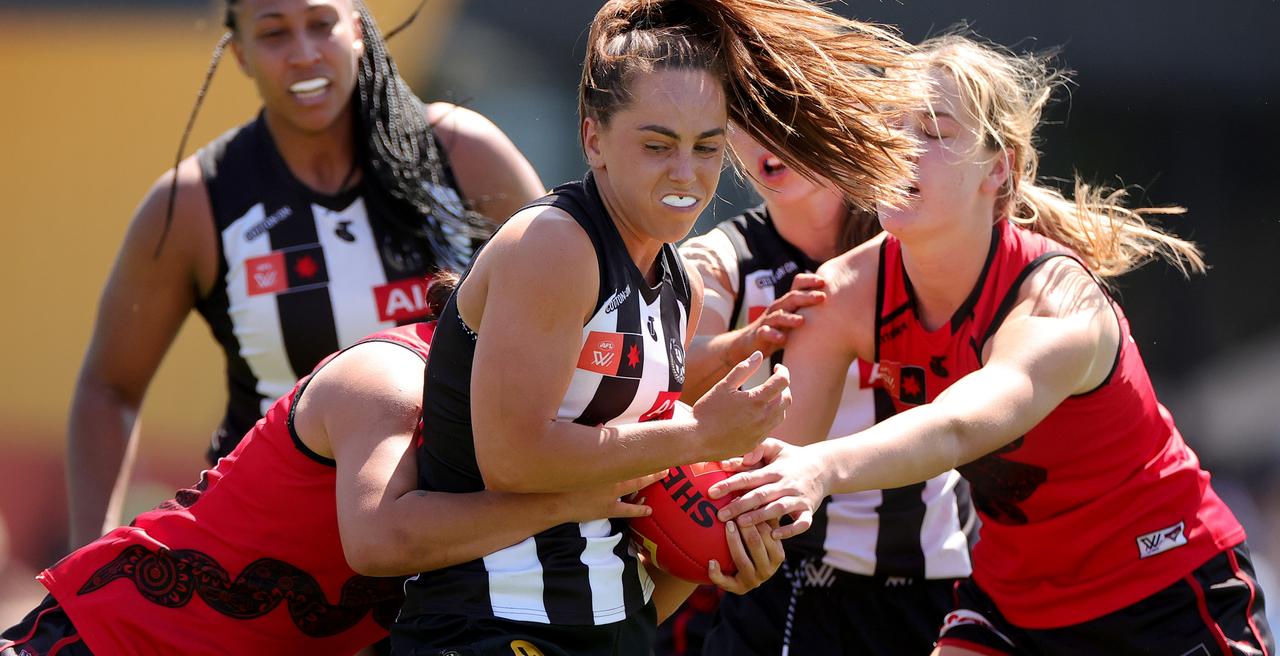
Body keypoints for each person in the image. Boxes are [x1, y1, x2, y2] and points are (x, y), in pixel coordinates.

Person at [393, 0, 922, 656]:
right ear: (594, 139)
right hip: (491, 628)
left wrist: (714, 550)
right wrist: (702, 437)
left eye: (706, 148)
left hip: (620, 631)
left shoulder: (680, 281)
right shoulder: (555, 245)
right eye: (657, 144)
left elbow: (629, 489)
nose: (686, 173)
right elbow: (513, 460)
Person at [711, 32, 1274, 655]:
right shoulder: (844, 295)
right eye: (891, 127)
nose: (903, 147)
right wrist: (710, 512)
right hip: (1015, 603)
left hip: (1162, 591)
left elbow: (957, 427)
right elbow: (778, 459)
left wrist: (820, 469)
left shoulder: (1056, 302)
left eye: (935, 131)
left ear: (998, 166)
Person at [2, 274, 781, 656]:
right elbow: (378, 542)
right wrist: (584, 494)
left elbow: (587, 606)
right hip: (117, 640)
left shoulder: (544, 435)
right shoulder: (389, 380)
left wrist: (701, 558)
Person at [65, 0, 546, 550]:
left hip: (449, 539)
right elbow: (110, 388)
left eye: (322, 24)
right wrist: (90, 558)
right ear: (239, 54)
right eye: (273, 34)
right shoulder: (194, 202)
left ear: (356, 28)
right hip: (274, 555)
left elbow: (565, 300)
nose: (304, 53)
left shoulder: (462, 155)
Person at [669, 131, 971, 656]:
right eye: (747, 113)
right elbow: (672, 373)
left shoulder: (912, 231)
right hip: (791, 572)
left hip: (938, 570)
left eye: (788, 109)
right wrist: (745, 340)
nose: (767, 134)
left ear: (835, 113)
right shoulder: (723, 256)